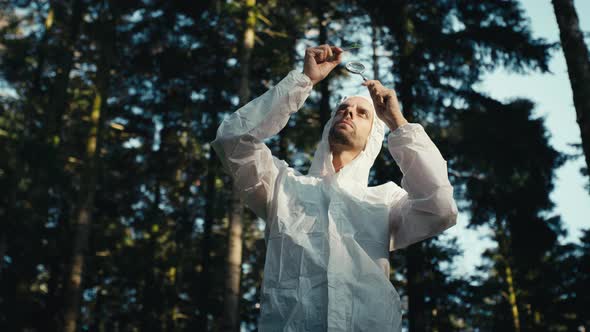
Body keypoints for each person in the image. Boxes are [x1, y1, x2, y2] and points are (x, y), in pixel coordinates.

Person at [211, 44, 458, 331]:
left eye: (362, 113)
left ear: (373, 138)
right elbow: (232, 139)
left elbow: (440, 208)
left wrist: (397, 122)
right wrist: (304, 80)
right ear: (329, 124)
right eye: (343, 109)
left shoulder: (385, 201)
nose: (348, 114)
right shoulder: (282, 185)